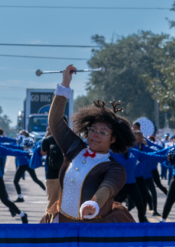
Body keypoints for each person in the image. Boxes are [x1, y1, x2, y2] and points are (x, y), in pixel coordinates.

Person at [41, 65, 136, 223]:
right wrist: (65, 85)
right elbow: (55, 122)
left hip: (94, 229)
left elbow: (106, 188)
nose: (96, 135)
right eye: (93, 130)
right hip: (62, 223)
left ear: (113, 139)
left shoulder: (115, 168)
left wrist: (94, 204)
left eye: (103, 132)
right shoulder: (74, 148)